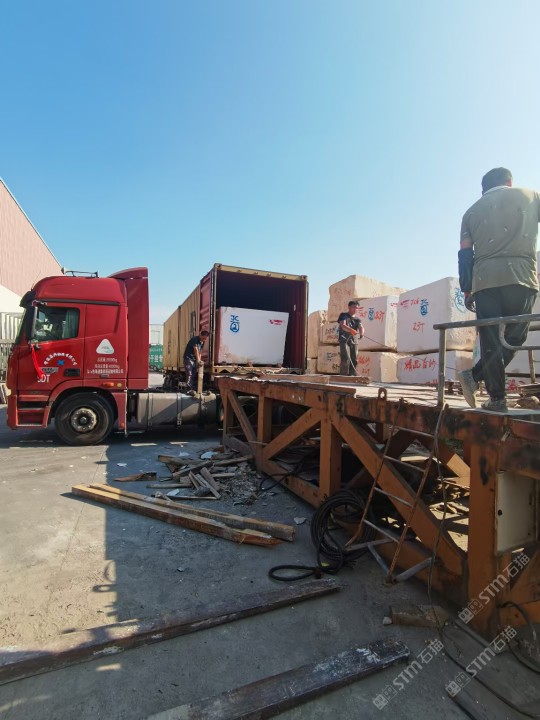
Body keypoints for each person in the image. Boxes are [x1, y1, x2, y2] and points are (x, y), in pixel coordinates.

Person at [458, 168, 540, 412]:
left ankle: (496, 398)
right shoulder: (531, 196)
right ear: (509, 181)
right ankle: (474, 376)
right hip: (522, 276)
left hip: (485, 282)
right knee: (516, 337)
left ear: (483, 189)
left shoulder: (470, 212)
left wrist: (467, 289)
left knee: (491, 340)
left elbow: (465, 252)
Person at [337, 301, 364, 376]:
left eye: (357, 308)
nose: (355, 309)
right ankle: (343, 375)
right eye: (353, 307)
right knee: (345, 357)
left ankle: (352, 374)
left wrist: (361, 333)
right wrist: (351, 330)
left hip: (353, 338)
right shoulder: (344, 315)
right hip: (344, 338)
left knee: (354, 358)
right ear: (349, 307)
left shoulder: (357, 319)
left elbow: (361, 327)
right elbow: (343, 325)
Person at [183, 330, 209, 395]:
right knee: (189, 374)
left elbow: (200, 352)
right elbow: (196, 350)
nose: (204, 339)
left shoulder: (202, 342)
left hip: (194, 360)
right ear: (200, 335)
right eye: (203, 338)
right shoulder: (194, 339)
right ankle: (188, 389)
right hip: (189, 358)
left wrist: (199, 360)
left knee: (193, 374)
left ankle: (191, 388)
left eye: (205, 338)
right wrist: (198, 360)